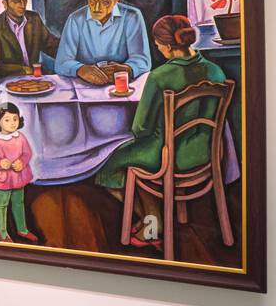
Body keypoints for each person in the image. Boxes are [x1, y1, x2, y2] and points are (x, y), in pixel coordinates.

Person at [94, 15, 227, 249]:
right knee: (139, 161)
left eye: (157, 44)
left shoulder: (159, 77)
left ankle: (153, 221)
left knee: (110, 167)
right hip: (205, 152)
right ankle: (152, 220)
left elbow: (140, 128)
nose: (157, 48)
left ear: (165, 46)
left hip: (167, 154)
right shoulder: (215, 72)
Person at [55, 0, 151, 85]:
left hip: (121, 81)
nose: (96, 8)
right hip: (84, 83)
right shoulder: (75, 19)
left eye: (105, 2)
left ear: (116, 1)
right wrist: (80, 69)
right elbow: (61, 62)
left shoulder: (132, 16)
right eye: (92, 1)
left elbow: (142, 59)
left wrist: (127, 68)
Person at [0, 0, 60, 79]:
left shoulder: (34, 19)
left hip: (34, 79)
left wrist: (73, 53)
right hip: (6, 83)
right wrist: (23, 70)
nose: (22, 5)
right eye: (16, 1)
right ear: (5, 4)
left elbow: (51, 45)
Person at [0, 102, 37, 243]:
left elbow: (27, 153)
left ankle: (22, 229)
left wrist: (22, 162)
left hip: (18, 176)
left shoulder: (20, 137)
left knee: (18, 202)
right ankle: (1, 232)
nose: (12, 123)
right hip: (2, 178)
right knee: (2, 203)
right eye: (7, 120)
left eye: (15, 119)